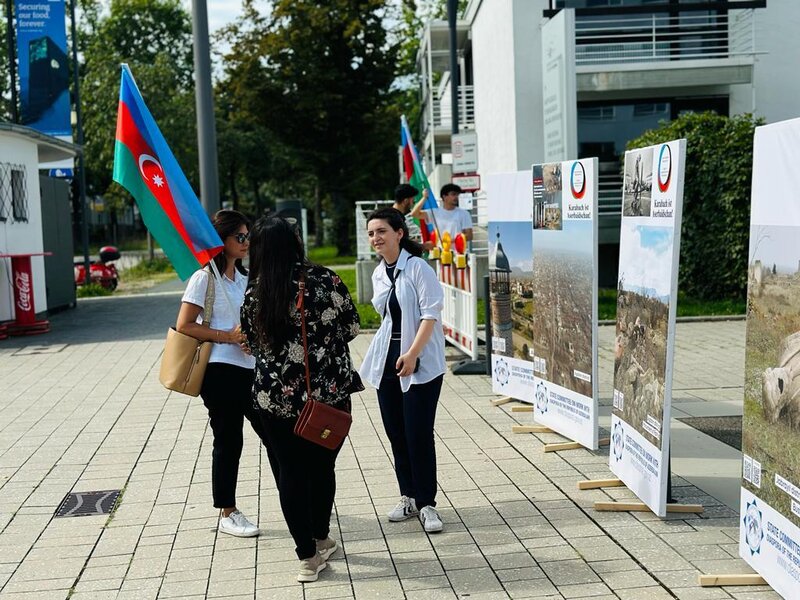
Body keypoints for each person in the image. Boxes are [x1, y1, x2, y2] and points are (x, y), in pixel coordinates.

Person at [240, 216, 363, 583]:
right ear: (295, 243)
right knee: (322, 468)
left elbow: (251, 343)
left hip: (274, 398)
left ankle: (307, 557)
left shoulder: (255, 291)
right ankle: (322, 537)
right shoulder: (325, 280)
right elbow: (353, 327)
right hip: (327, 396)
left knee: (290, 472)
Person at [176, 209, 267, 538]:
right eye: (239, 236)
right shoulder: (204, 278)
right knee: (229, 440)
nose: (246, 242)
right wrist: (227, 337)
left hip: (250, 368)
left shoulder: (245, 278)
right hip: (218, 371)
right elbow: (185, 325)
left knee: (273, 433)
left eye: (248, 236)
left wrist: (252, 339)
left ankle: (297, 495)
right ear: (221, 240)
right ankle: (227, 511)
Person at [359, 208, 447, 533]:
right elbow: (386, 317)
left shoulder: (418, 268)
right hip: (388, 359)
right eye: (371, 233)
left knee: (418, 433)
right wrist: (399, 355)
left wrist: (412, 354)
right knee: (396, 432)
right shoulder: (379, 273)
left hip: (419, 361)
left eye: (382, 231)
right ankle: (408, 495)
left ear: (399, 233)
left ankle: (427, 503)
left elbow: (430, 314)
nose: (376, 238)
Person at [393, 183, 434, 252]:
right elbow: (398, 243)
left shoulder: (395, 215)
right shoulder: (394, 218)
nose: (413, 205)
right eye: (413, 201)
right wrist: (423, 246)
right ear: (405, 201)